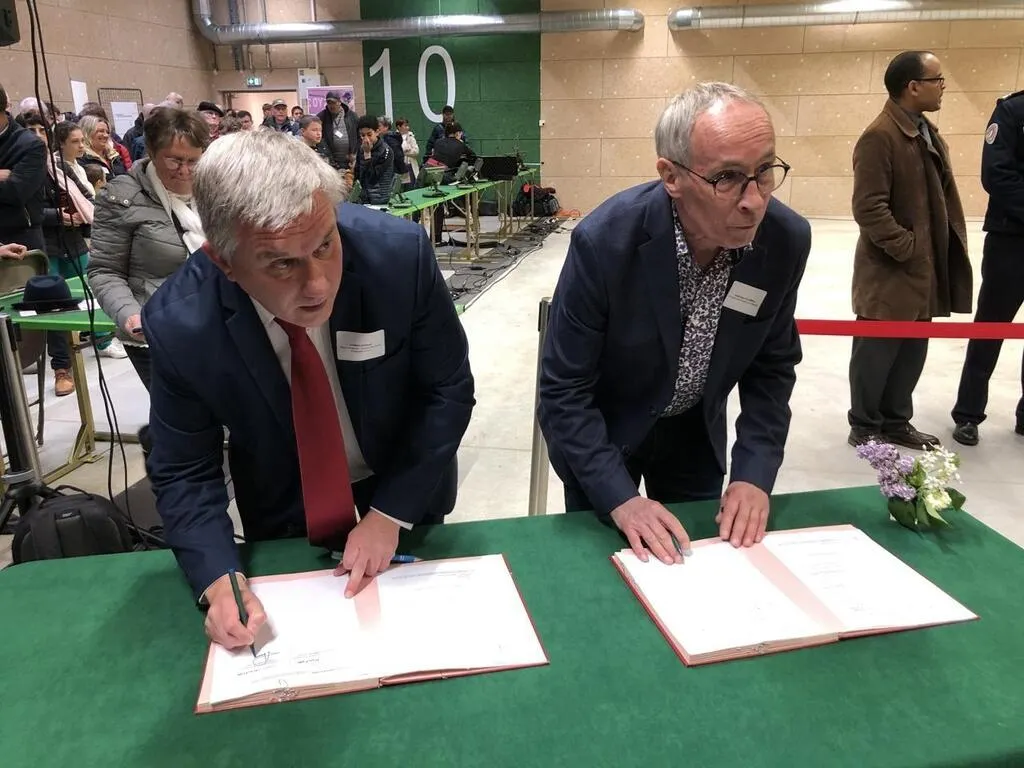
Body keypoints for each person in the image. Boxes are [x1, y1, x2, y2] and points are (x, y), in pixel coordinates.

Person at [141, 129, 474, 649]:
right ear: (223, 261)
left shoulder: (398, 258)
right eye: (281, 263)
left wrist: (389, 514)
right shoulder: (182, 324)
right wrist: (218, 579)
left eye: (324, 246)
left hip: (403, 481)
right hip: (285, 496)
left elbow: (446, 389)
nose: (318, 285)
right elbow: (184, 467)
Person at [538, 82, 807, 563]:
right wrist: (620, 499)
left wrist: (754, 473)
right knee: (611, 567)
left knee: (698, 562)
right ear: (671, 176)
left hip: (694, 432)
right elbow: (564, 389)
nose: (754, 200)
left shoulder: (784, 241)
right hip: (603, 435)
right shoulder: (604, 243)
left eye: (764, 171)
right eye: (727, 177)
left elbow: (772, 367)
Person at [849, 51, 972, 451]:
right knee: (876, 353)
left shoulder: (924, 131)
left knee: (911, 352)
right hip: (891, 270)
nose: (943, 87)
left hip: (922, 269)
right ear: (913, 86)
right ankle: (865, 426)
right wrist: (909, 248)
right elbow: (868, 207)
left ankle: (896, 421)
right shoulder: (880, 136)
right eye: (937, 80)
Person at [88, 107, 210, 399]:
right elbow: (104, 270)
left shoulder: (214, 188)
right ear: (152, 152)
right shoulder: (123, 197)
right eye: (174, 160)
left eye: (193, 161)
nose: (185, 170)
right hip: (156, 331)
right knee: (184, 418)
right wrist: (130, 315)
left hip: (215, 324)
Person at [951, 91, 1024, 446]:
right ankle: (968, 413)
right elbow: (996, 175)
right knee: (989, 330)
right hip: (1012, 241)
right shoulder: (1012, 111)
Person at [354, 114, 395, 205]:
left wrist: (367, 154)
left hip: (380, 199)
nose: (366, 139)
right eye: (362, 135)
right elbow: (358, 173)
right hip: (363, 199)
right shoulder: (361, 149)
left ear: (377, 132)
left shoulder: (386, 151)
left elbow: (372, 178)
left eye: (369, 134)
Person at [316, 90, 358, 170]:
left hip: (350, 161)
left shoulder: (352, 116)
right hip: (331, 162)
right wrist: (328, 156)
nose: (331, 105)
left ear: (339, 102)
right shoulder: (322, 117)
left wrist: (355, 153)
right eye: (329, 103)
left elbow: (359, 136)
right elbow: (320, 139)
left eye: (333, 102)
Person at [397, 118, 419, 187]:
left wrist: (405, 152)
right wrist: (406, 149)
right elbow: (397, 152)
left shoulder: (410, 136)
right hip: (400, 167)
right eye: (405, 126)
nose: (407, 127)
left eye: (407, 125)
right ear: (399, 127)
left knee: (411, 187)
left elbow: (416, 151)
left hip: (410, 166)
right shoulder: (395, 137)